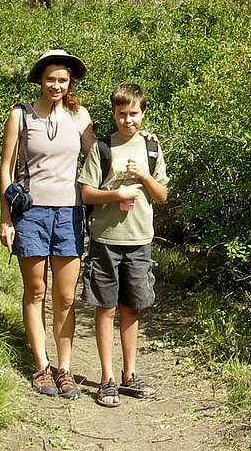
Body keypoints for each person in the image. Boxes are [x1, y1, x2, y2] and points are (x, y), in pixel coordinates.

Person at [0, 49, 95, 399]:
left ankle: (64, 368)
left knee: (66, 296)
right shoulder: (20, 116)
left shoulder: (79, 115)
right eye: (50, 78)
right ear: (40, 79)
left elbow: (98, 156)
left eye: (63, 79)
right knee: (36, 291)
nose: (56, 85)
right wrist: (6, 218)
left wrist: (140, 144)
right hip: (32, 214)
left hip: (70, 213)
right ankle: (42, 367)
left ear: (71, 83)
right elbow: (6, 169)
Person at [78, 83, 169, 408]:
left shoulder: (152, 150)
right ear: (113, 113)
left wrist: (144, 177)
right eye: (121, 114)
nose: (128, 120)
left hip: (139, 241)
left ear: (143, 113)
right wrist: (116, 194)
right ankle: (107, 378)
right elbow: (86, 193)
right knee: (106, 308)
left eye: (134, 114)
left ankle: (130, 375)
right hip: (105, 241)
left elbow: (162, 197)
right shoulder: (102, 149)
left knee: (132, 308)